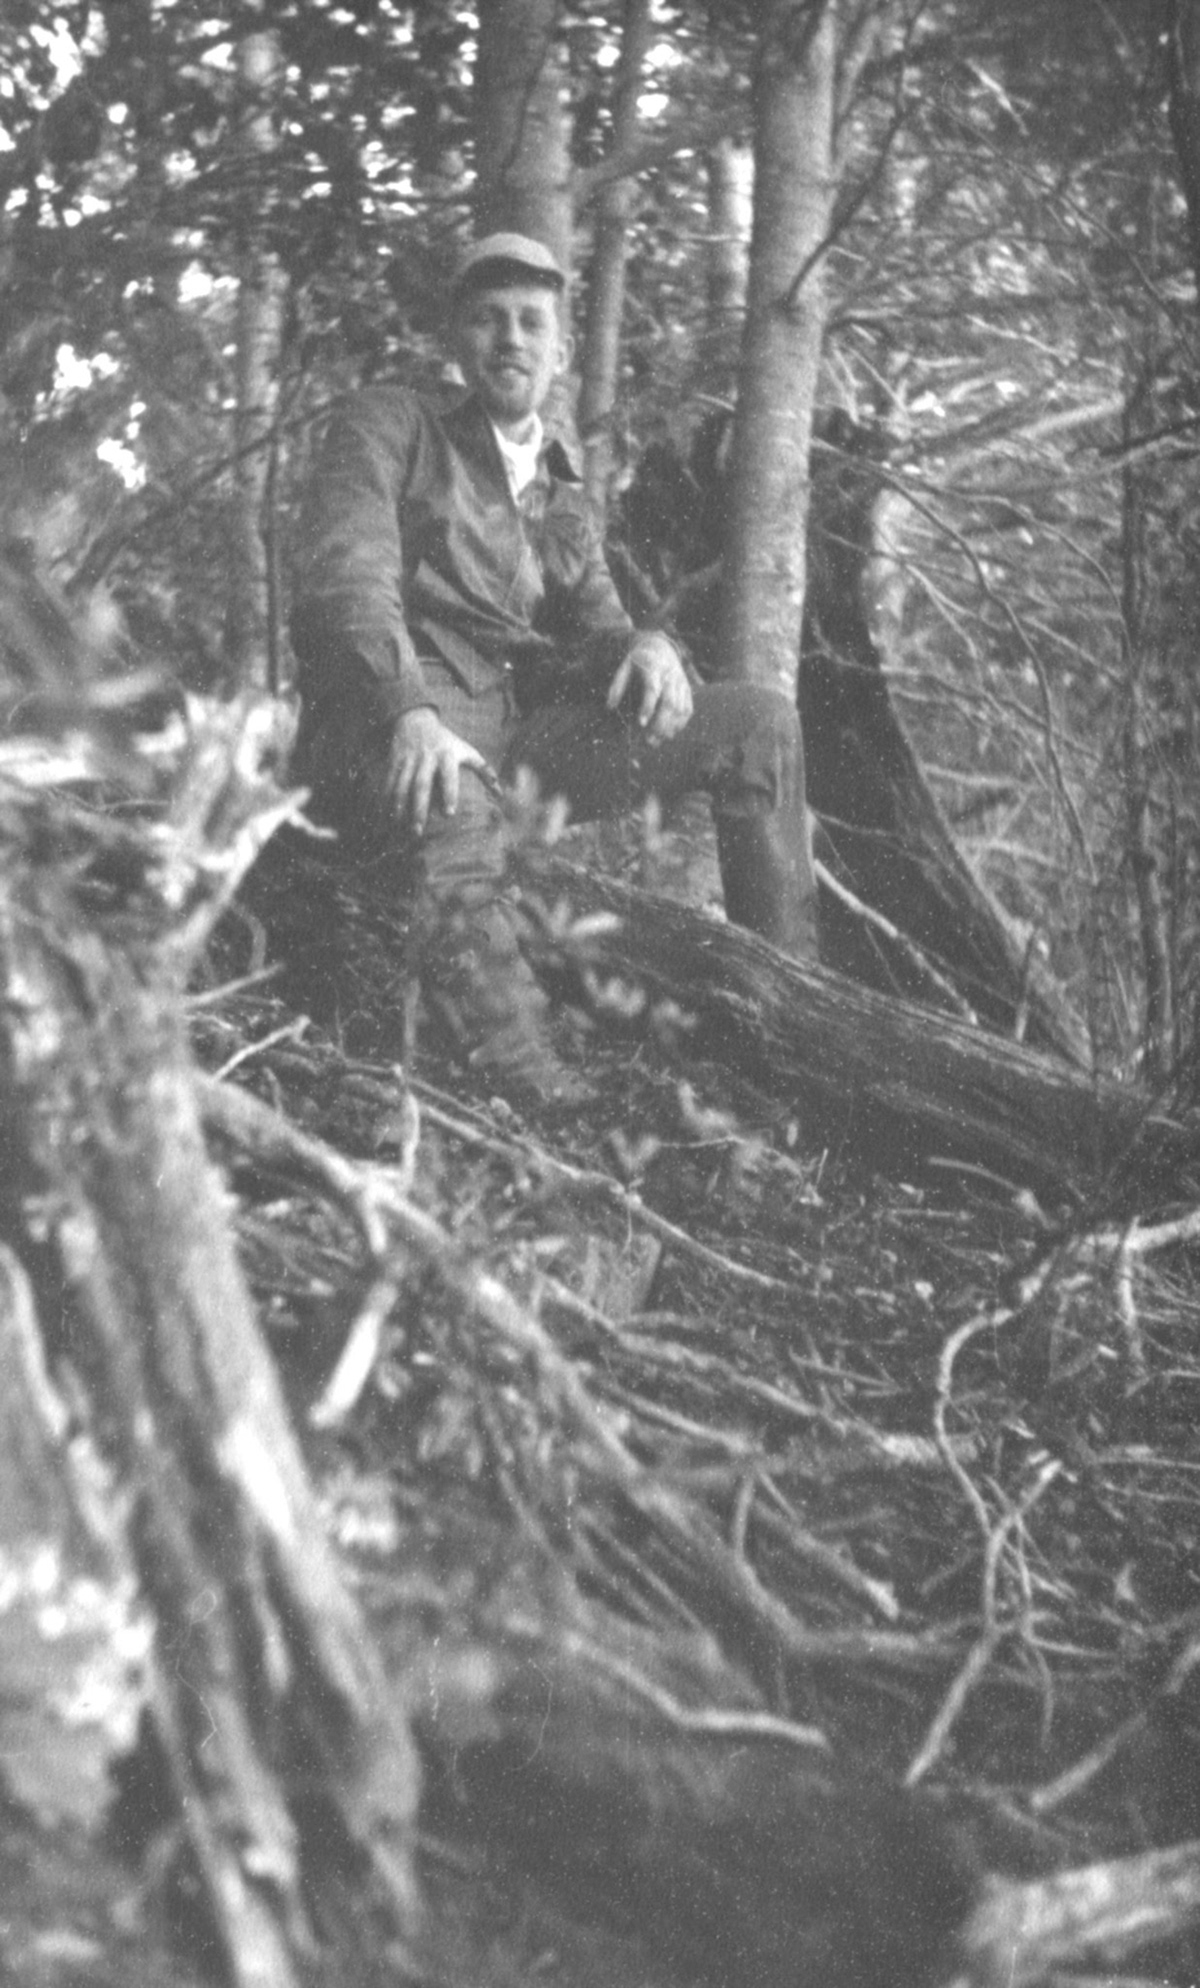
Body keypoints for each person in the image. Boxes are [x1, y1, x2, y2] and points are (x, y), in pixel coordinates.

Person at [290, 231, 819, 1101]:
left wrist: (650, 647)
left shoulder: (562, 491)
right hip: (379, 732)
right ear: (456, 339)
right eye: (491, 320)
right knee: (450, 797)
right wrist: (407, 711)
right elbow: (345, 582)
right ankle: (534, 1087)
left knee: (759, 724)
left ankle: (799, 1025)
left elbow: (595, 631)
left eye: (533, 322)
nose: (512, 339)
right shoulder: (394, 427)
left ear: (562, 352)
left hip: (510, 745)